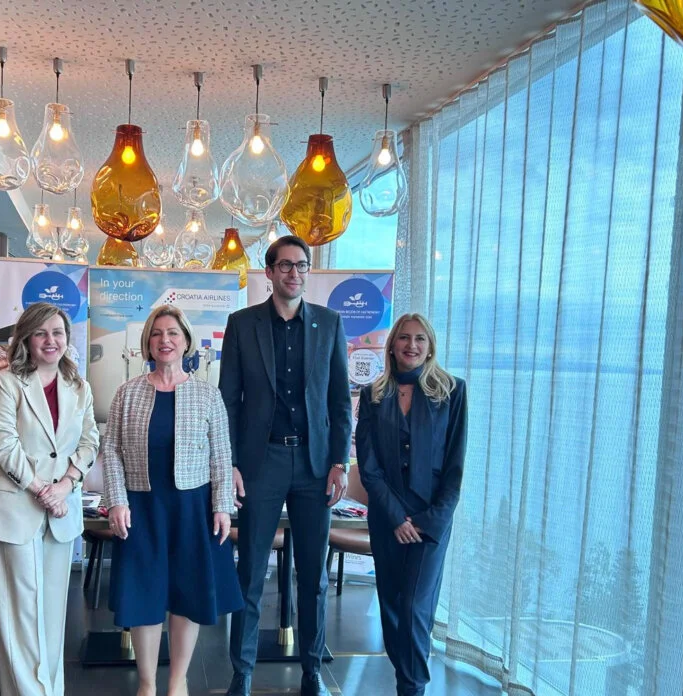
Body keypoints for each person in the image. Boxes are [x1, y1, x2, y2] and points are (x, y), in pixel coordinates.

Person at [218, 236, 353, 696]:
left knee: (313, 576)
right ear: (270, 272)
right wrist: (231, 463)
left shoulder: (330, 324)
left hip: (316, 466)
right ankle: (242, 673)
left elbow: (340, 402)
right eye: (286, 265)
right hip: (262, 462)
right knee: (251, 573)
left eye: (302, 265)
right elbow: (229, 401)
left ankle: (312, 672)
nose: (294, 273)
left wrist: (340, 462)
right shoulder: (242, 324)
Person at [103, 304, 242, 696]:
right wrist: (116, 500)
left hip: (192, 508)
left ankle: (177, 681)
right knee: (144, 593)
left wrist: (222, 506)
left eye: (173, 333)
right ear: (147, 342)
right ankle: (147, 684)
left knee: (187, 593)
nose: (165, 340)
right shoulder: (127, 393)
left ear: (186, 342)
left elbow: (221, 456)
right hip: (141, 506)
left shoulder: (207, 394)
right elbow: (110, 450)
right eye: (157, 333)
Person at [0, 302, 99, 696]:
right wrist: (42, 489)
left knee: (51, 613)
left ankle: (51, 690)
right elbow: (3, 442)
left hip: (61, 510)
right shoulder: (6, 382)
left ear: (67, 338)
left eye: (58, 332)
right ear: (27, 339)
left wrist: (65, 485)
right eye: (41, 333)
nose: (51, 340)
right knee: (21, 612)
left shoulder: (79, 387)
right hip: (17, 506)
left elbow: (89, 441)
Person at [355, 313, 468, 696]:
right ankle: (406, 680)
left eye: (420, 339)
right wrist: (395, 518)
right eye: (404, 338)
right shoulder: (373, 395)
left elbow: (454, 468)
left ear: (430, 346)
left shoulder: (452, 392)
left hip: (431, 521)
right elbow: (369, 467)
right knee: (391, 607)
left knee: (414, 608)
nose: (412, 345)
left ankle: (411, 688)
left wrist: (430, 520)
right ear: (392, 346)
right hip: (388, 518)